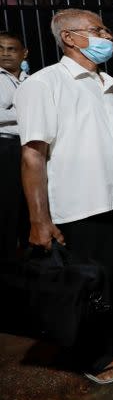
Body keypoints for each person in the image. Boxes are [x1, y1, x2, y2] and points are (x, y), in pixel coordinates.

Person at [15, 8, 113, 385]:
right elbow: (33, 153)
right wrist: (39, 221)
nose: (108, 37)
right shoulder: (45, 83)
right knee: (93, 285)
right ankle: (96, 357)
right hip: (83, 203)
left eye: (106, 29)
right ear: (69, 37)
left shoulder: (109, 85)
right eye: (98, 30)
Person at [0, 31, 30, 262]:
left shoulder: (30, 80)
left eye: (11, 49)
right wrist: (28, 115)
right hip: (5, 148)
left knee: (27, 209)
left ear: (23, 53)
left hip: (27, 148)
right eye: (0, 49)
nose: (5, 53)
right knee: (7, 209)